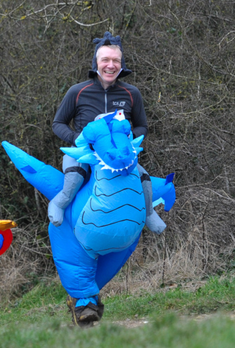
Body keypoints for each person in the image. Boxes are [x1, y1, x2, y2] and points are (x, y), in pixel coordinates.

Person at [50, 32, 166, 320]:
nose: (110, 65)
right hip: (85, 155)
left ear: (121, 63)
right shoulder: (77, 91)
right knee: (74, 178)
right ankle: (60, 204)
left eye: (115, 60)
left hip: (119, 160)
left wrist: (124, 143)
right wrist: (79, 140)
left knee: (144, 177)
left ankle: (149, 213)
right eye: (105, 60)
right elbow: (57, 123)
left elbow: (142, 127)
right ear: (96, 62)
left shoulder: (131, 94)